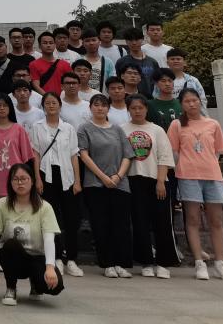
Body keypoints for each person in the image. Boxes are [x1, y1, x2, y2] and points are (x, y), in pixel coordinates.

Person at [0, 162, 63, 306]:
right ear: (10, 183)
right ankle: (11, 289)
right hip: (13, 257)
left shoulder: (45, 207)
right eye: (16, 179)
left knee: (55, 287)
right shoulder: (1, 205)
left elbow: (49, 239)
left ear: (32, 181)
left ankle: (36, 285)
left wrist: (50, 267)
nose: (20, 182)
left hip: (37, 257)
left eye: (24, 178)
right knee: (10, 245)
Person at [167, 88, 223, 280]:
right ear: (181, 105)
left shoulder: (213, 124)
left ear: (200, 101)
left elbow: (218, 151)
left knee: (216, 220)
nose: (191, 104)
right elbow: (173, 152)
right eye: (187, 101)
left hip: (212, 175)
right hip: (188, 176)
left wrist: (206, 163)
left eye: (194, 100)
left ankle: (220, 263)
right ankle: (199, 262)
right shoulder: (177, 124)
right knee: (192, 219)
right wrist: (187, 164)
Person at [78, 93, 134, 278]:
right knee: (101, 224)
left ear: (108, 108)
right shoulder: (85, 129)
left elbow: (127, 155)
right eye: (96, 105)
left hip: (120, 183)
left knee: (121, 225)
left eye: (103, 105)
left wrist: (118, 176)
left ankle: (121, 263)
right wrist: (104, 178)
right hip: (95, 184)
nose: (100, 108)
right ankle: (108, 263)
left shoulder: (117, 129)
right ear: (90, 108)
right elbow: (84, 155)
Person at [123, 93, 179, 277]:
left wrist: (161, 181)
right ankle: (145, 261)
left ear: (146, 109)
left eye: (140, 107)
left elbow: (164, 156)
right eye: (133, 108)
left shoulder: (157, 130)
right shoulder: (122, 129)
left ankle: (164, 263)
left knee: (162, 222)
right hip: (133, 180)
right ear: (128, 110)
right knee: (140, 222)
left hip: (157, 179)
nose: (137, 111)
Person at [30, 92, 83, 277]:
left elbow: (74, 155)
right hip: (46, 175)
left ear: (60, 106)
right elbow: (36, 154)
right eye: (48, 103)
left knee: (71, 218)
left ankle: (72, 260)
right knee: (51, 218)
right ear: (43, 106)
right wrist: (37, 179)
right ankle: (57, 258)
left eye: (54, 103)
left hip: (67, 175)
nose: (51, 106)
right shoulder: (37, 127)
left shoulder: (68, 128)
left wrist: (77, 181)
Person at [0, 95, 33, 203]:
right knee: (1, 209)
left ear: (10, 107)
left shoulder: (19, 129)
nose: (2, 108)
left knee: (20, 209)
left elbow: (27, 158)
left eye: (5, 105)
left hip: (18, 177)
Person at [116, 28, 160, 97]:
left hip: (149, 99)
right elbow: (119, 82)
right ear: (126, 41)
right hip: (127, 99)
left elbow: (157, 82)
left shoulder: (152, 62)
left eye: (136, 40)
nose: (134, 43)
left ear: (142, 39)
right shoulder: (121, 62)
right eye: (130, 40)